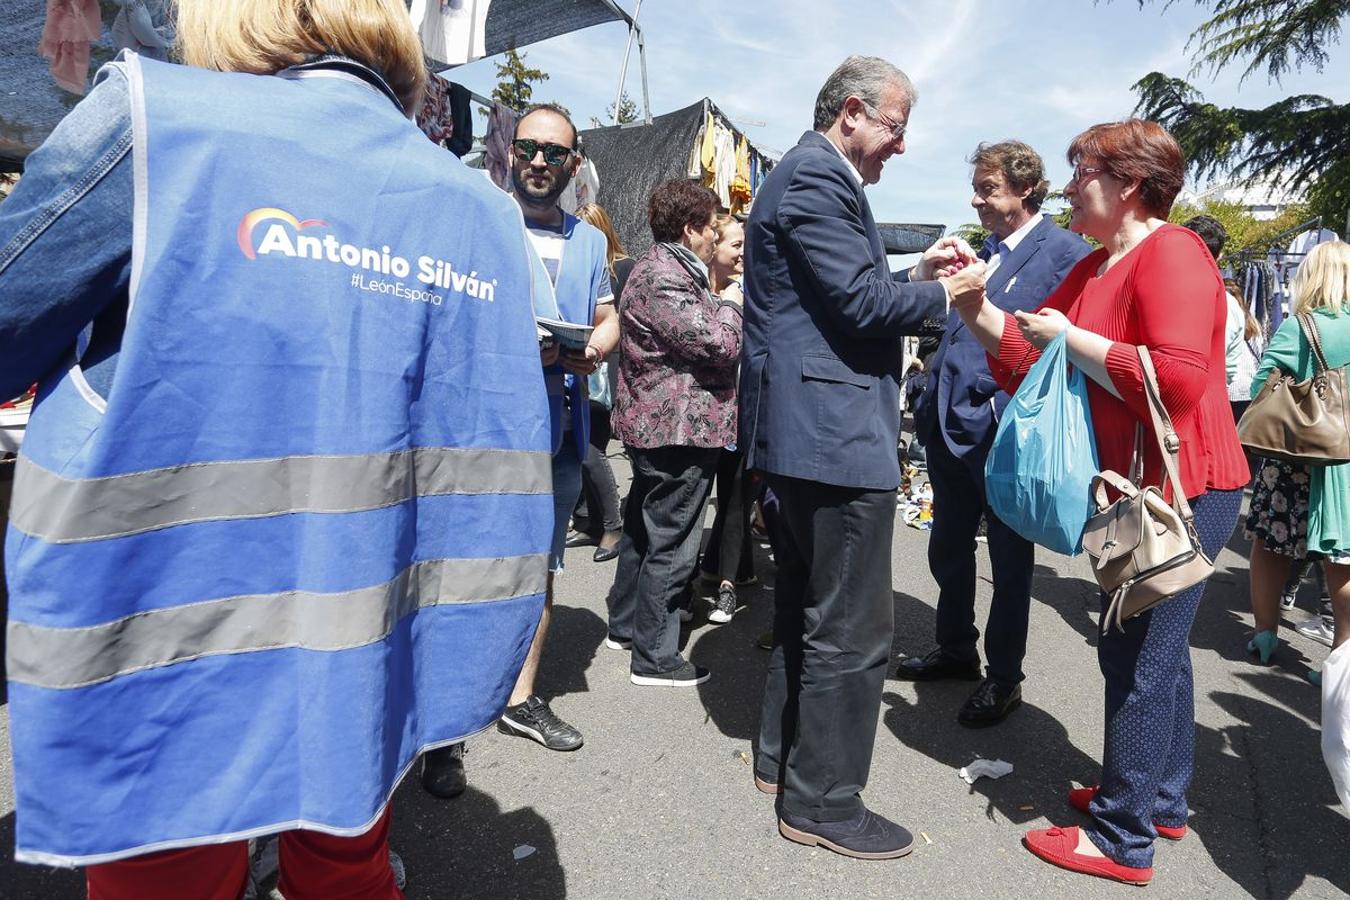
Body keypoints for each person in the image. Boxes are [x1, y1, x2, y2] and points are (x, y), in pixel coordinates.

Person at [0, 0, 553, 895]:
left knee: (175, 872)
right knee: (347, 853)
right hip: (375, 638)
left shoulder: (157, 121)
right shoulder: (481, 211)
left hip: (175, 646)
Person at [950, 119, 1249, 885]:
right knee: (1157, 652)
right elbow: (1022, 352)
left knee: (1139, 655)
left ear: (1126, 182)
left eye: (1082, 168)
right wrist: (970, 301)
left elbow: (1179, 377)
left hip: (1190, 486)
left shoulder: (1173, 250)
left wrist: (1070, 341)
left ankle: (1123, 837)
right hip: (1144, 491)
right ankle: (1160, 801)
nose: (1069, 182)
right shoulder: (1095, 266)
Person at [739, 55, 984, 860]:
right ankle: (826, 804)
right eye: (896, 127)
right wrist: (947, 294)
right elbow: (861, 304)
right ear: (852, 112)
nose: (901, 147)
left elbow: (840, 297)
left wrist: (916, 273)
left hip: (811, 436)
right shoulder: (818, 178)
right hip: (832, 440)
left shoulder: (806, 177)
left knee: (808, 609)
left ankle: (785, 763)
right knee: (850, 629)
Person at [900, 141, 1090, 727]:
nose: (975, 198)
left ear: (1025, 187)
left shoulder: (1067, 253)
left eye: (987, 188)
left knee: (1010, 567)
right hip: (951, 429)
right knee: (946, 549)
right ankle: (956, 648)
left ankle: (1004, 677)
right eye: (977, 187)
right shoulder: (983, 253)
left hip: (1009, 436)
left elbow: (1062, 346)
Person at [604, 178, 742, 687]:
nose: (714, 237)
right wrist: (730, 301)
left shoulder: (667, 270)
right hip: (677, 430)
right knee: (672, 541)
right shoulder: (666, 275)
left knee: (645, 531)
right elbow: (717, 345)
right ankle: (656, 656)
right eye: (710, 228)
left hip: (663, 426)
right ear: (690, 229)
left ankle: (626, 625)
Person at [1242, 240, 1350, 681]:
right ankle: (1342, 659)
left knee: (1270, 545)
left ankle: (1265, 636)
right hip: (1346, 464)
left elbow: (1260, 392)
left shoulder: (1299, 327)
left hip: (1295, 458)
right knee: (1342, 557)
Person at [566, 202, 635, 563]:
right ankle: (590, 522)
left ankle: (612, 526)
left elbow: (627, 325)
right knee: (581, 448)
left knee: (593, 450)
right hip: (580, 367)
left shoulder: (623, 267)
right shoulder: (587, 267)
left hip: (608, 372)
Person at [696, 214, 757, 623]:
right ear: (713, 247)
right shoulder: (695, 293)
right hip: (700, 417)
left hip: (743, 413)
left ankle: (728, 588)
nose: (742, 253)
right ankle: (688, 586)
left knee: (736, 503)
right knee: (697, 502)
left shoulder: (756, 294)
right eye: (735, 245)